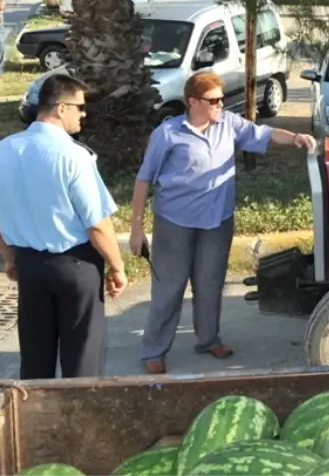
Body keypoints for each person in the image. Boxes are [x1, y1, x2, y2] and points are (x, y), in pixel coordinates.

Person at [129, 71, 317, 374]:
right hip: (175, 222)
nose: (220, 104)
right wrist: (137, 229)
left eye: (221, 99)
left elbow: (264, 134)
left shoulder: (228, 124)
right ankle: (154, 349)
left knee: (210, 283)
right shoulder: (168, 134)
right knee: (169, 288)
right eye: (213, 100)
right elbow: (143, 180)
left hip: (217, 222)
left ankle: (209, 339)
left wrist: (294, 137)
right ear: (193, 102)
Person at [0, 74, 127, 379]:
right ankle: (78, 421)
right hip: (75, 266)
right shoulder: (74, 156)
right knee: (82, 359)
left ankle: (38, 420)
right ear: (60, 108)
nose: (83, 114)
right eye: (80, 107)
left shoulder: (2, 151)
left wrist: (10, 260)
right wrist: (117, 266)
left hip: (29, 265)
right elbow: (97, 224)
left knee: (35, 358)